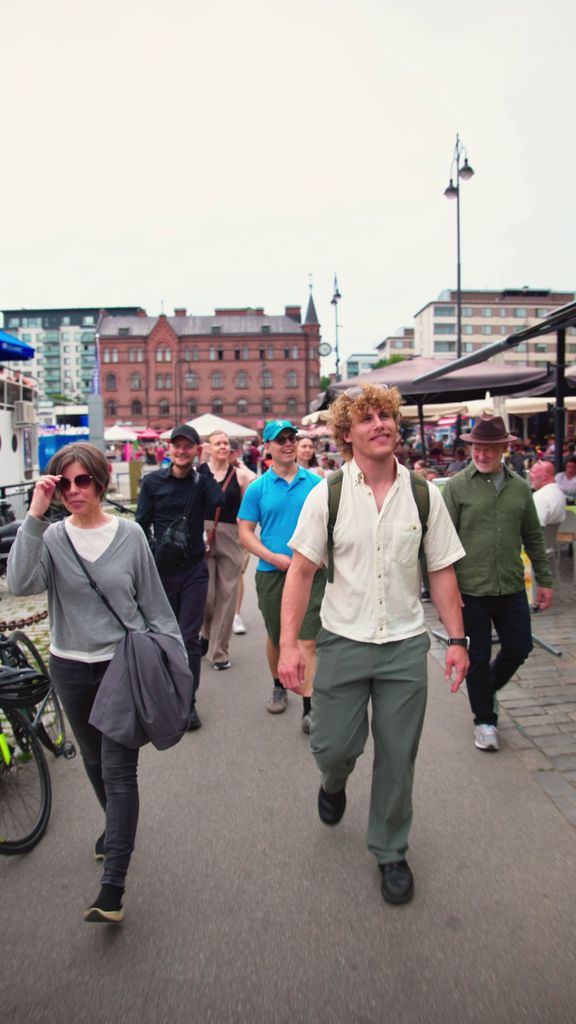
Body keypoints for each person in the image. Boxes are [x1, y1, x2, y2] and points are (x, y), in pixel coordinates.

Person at [278, 384, 468, 905]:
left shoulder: (426, 494)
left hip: (406, 646)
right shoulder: (328, 494)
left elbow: (443, 570)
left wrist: (456, 639)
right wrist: (290, 644)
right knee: (335, 747)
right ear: (346, 435)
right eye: (367, 419)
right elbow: (300, 572)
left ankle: (390, 850)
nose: (380, 424)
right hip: (342, 641)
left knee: (398, 755)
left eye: (387, 415)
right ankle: (333, 782)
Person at [7, 442, 184, 925]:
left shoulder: (129, 537)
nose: (73, 490)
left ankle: (113, 888)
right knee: (91, 758)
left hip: (120, 666)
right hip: (68, 666)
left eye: (82, 480)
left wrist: (177, 666)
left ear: (101, 482)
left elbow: (154, 605)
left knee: (119, 770)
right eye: (63, 482)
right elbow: (20, 584)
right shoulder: (52, 538)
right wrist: (35, 517)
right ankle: (116, 827)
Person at [442, 416, 553, 754]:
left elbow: (533, 535)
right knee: (476, 656)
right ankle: (484, 720)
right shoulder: (457, 486)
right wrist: (444, 590)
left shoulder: (520, 487)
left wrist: (545, 579)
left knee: (520, 647)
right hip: (470, 590)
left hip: (510, 586)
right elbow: (442, 540)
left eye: (489, 449)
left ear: (504, 449)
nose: (482, 454)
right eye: (477, 447)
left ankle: (484, 689)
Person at [238, 420, 326, 733]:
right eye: (281, 440)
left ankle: (308, 704)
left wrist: (322, 556)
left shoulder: (315, 483)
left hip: (312, 574)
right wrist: (271, 556)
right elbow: (245, 531)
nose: (288, 444)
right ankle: (278, 683)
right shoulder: (258, 488)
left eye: (292, 438)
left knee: (306, 639)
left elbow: (331, 526)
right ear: (269, 447)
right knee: (277, 637)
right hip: (272, 574)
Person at [135, 425, 224, 730]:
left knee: (189, 637)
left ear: (197, 450)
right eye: (178, 446)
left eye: (189, 447)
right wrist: (151, 554)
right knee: (165, 637)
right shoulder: (152, 483)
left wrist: (206, 468)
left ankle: (188, 702)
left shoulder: (201, 482)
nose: (182, 451)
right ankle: (167, 692)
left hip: (194, 570)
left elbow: (217, 502)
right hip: (161, 573)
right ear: (169, 449)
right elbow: (140, 524)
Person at [200, 431, 255, 669]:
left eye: (225, 443)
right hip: (202, 536)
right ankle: (206, 632)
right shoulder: (199, 474)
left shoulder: (241, 476)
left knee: (227, 594)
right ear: (209, 447)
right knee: (206, 596)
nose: (222, 446)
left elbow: (249, 508)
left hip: (230, 535)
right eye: (217, 443)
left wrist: (246, 537)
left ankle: (219, 652)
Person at [529, 459, 566, 526]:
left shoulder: (540, 497)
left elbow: (535, 529)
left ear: (544, 476)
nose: (530, 475)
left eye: (534, 472)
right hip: (552, 535)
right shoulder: (559, 493)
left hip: (542, 535)